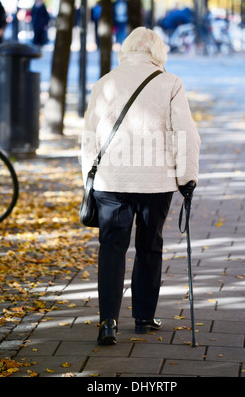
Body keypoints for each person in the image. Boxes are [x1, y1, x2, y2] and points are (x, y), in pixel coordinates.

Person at [81, 27, 201, 345]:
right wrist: (187, 177)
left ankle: (108, 322)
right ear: (157, 51)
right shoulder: (169, 83)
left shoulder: (104, 82)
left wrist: (88, 180)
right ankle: (144, 318)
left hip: (111, 180)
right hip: (156, 182)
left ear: (127, 49)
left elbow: (88, 137)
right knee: (150, 246)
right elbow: (184, 133)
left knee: (111, 248)